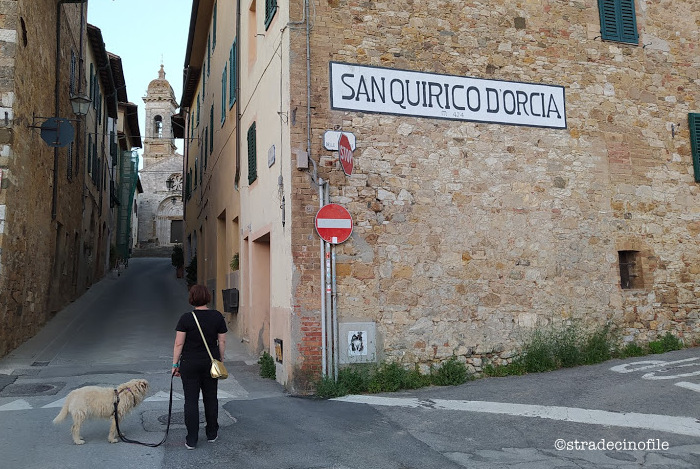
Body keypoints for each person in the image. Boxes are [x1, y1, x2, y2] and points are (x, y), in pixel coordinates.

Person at [172, 284, 227, 449]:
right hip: (210, 364)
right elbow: (222, 341)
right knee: (211, 398)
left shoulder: (186, 318)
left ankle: (192, 439)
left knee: (191, 400)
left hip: (189, 363)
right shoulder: (217, 317)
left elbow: (178, 343)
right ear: (208, 298)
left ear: (192, 299)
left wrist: (175, 364)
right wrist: (220, 360)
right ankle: (211, 433)